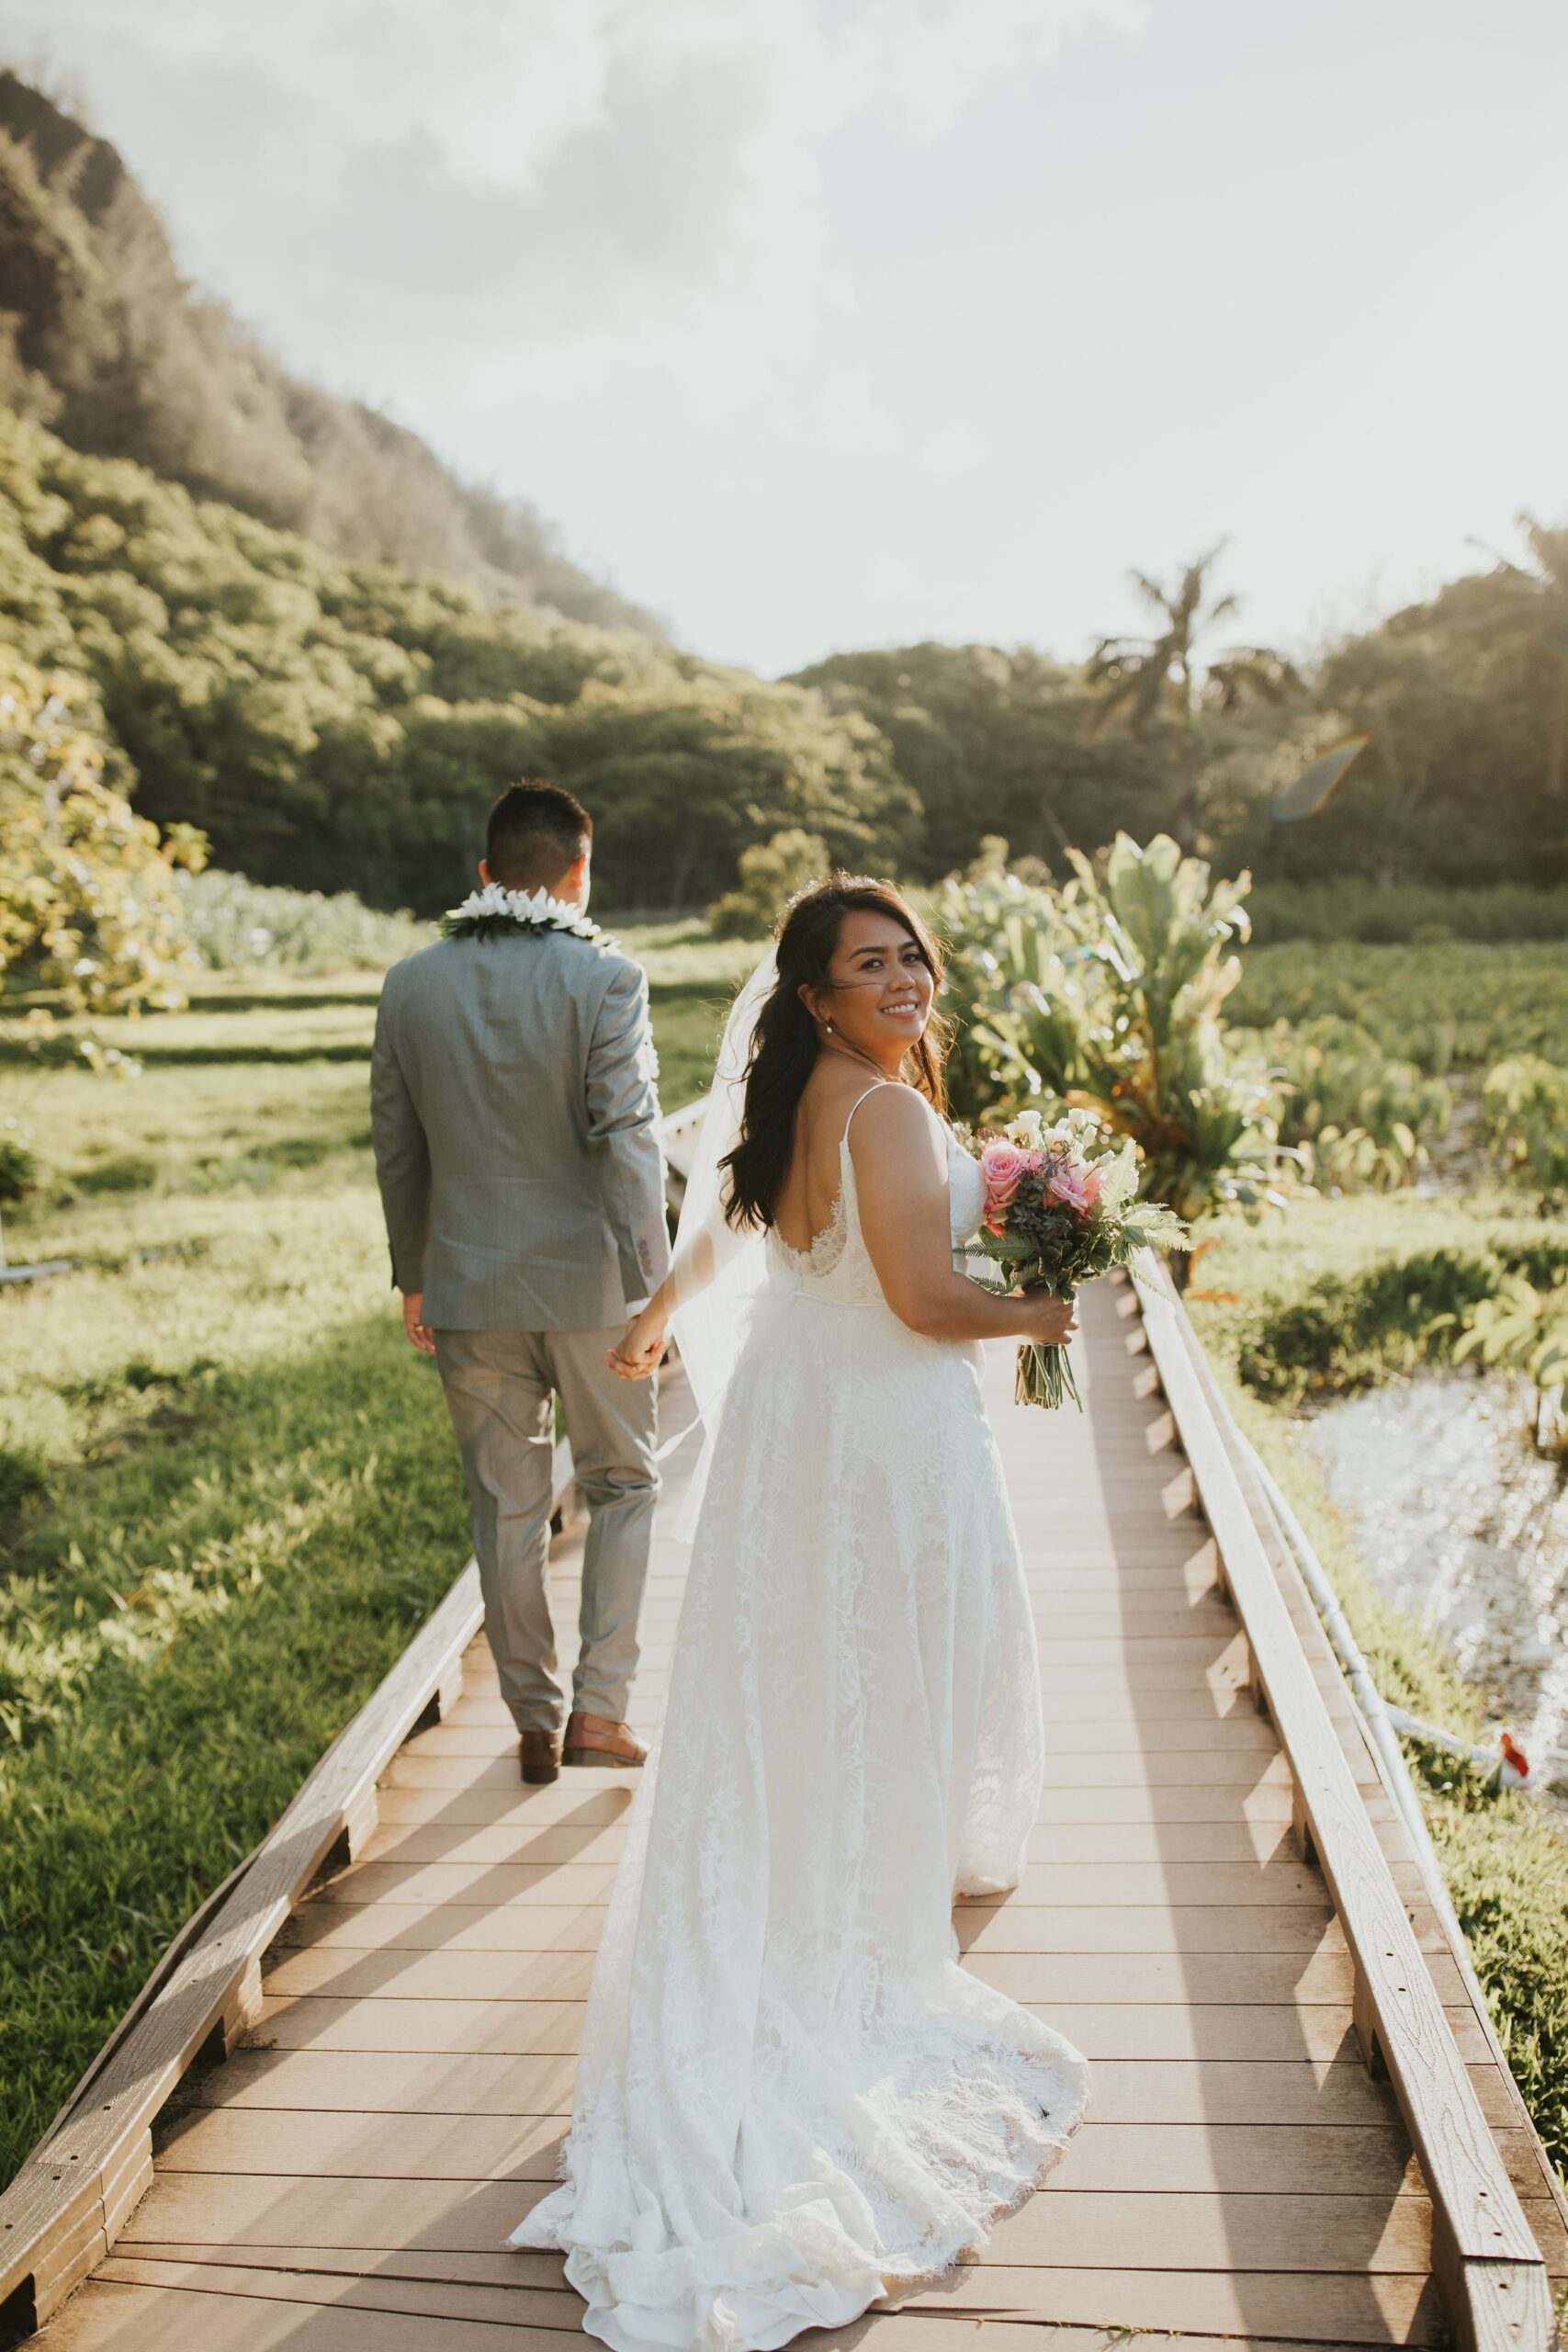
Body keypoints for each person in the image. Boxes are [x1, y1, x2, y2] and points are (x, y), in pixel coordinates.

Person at [513, 875, 1091, 2352]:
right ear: (815, 991)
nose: (903, 981)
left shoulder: (791, 1100)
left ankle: (818, 1864)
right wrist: (1037, 1312)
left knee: (803, 1663)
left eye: (912, 957)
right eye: (869, 964)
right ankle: (872, 1896)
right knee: (897, 1661)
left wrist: (653, 1316)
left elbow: (721, 1231)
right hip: (886, 1427)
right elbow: (917, 1299)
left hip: (792, 1425)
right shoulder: (886, 1112)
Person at [370, 780, 669, 1785]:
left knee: (504, 1507)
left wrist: (416, 1274)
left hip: (466, 1288)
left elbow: (397, 1147)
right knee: (623, 1483)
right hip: (592, 1291)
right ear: (579, 874)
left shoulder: (410, 984)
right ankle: (600, 1710)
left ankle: (533, 1722)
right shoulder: (607, 979)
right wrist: (652, 1288)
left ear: (485, 875)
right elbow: (628, 1141)